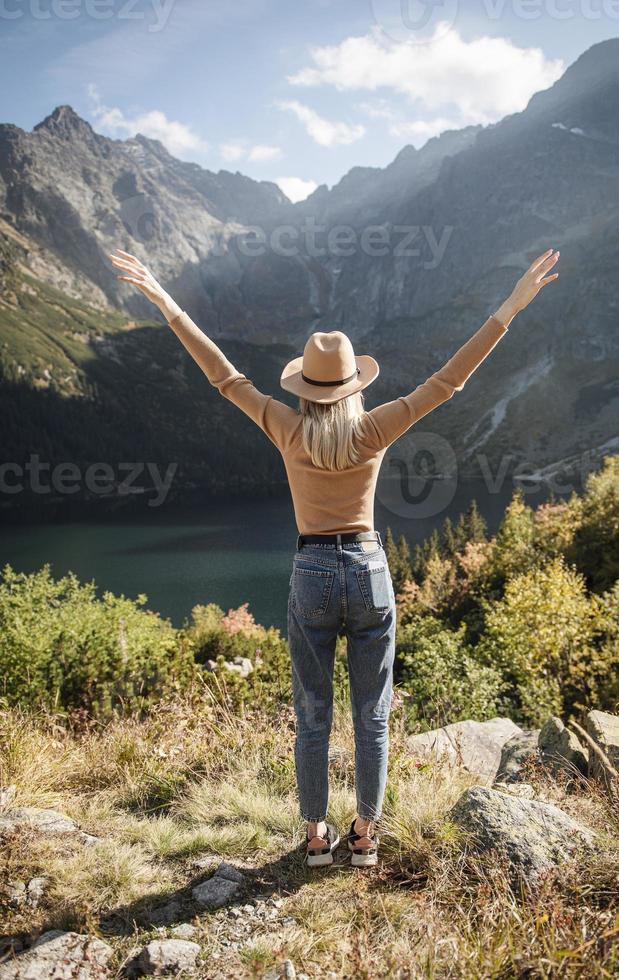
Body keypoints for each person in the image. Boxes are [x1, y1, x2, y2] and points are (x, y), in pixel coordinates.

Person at [109, 246, 560, 868]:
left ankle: (317, 837)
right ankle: (366, 837)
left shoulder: (286, 428)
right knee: (371, 717)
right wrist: (511, 305)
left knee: (313, 715)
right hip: (370, 570)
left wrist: (165, 300)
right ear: (353, 388)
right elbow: (448, 382)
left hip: (312, 571)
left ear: (305, 388)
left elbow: (224, 377)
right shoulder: (374, 429)